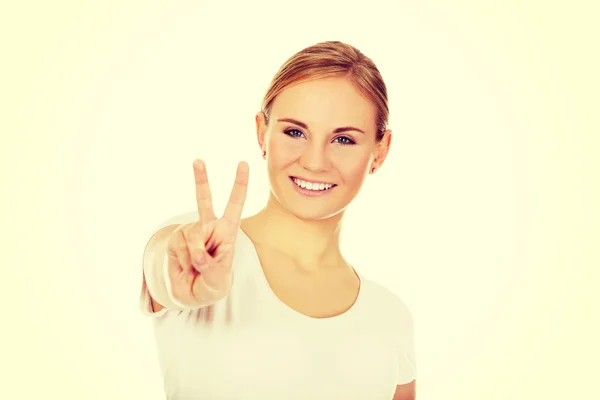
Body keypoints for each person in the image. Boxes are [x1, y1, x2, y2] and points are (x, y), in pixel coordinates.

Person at [140, 40, 417, 400]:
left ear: (380, 151)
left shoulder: (390, 315)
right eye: (295, 132)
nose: (315, 162)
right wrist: (183, 276)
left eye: (344, 139)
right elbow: (167, 267)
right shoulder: (200, 248)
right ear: (262, 133)